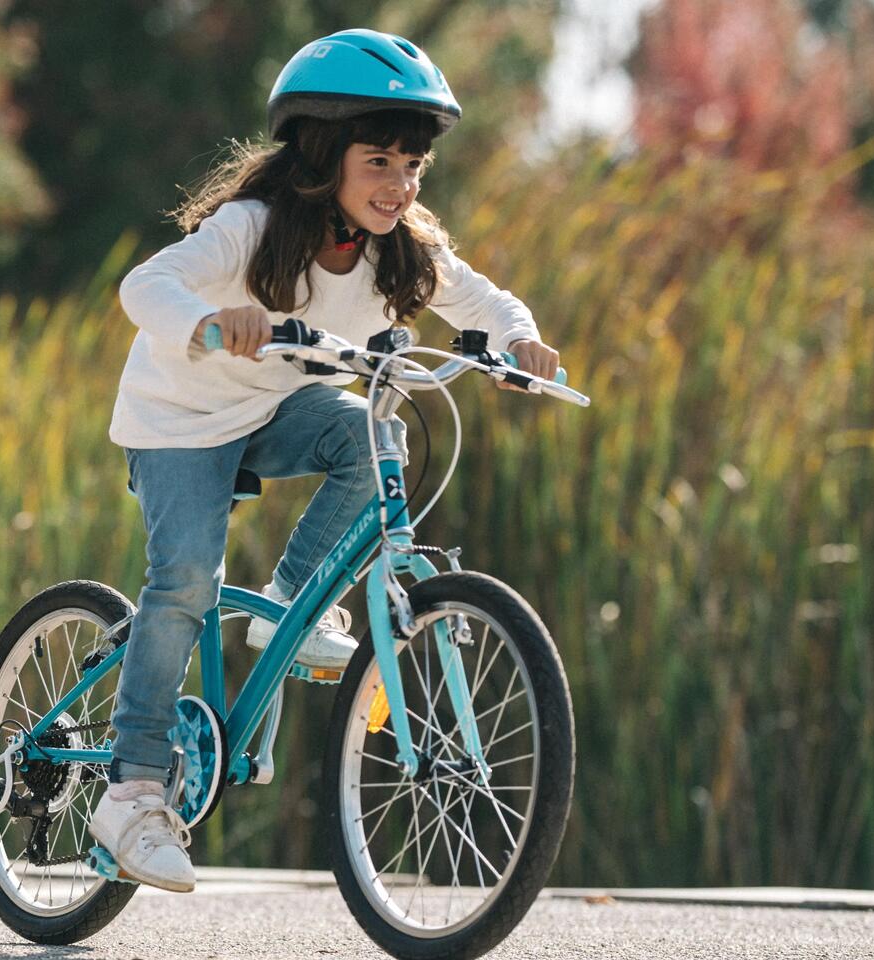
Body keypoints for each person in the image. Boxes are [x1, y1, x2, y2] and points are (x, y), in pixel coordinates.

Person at [86, 28, 563, 893]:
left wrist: (519, 341)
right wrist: (206, 322)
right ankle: (133, 791)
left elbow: (484, 301)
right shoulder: (253, 227)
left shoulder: (401, 244)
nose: (400, 184)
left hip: (271, 406)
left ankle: (283, 610)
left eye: (411, 165)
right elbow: (144, 286)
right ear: (322, 154)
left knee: (370, 430)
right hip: (181, 418)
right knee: (187, 579)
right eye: (379, 161)